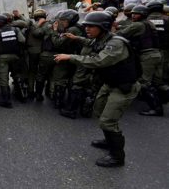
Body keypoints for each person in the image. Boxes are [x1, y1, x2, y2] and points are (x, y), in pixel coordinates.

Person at [54, 11, 140, 167]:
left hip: (123, 87)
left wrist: (70, 57)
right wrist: (76, 38)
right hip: (110, 83)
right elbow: (90, 43)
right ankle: (109, 140)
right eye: (86, 26)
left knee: (107, 121)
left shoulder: (116, 43)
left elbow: (99, 61)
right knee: (98, 111)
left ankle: (117, 156)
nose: (87, 29)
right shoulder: (101, 39)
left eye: (92, 27)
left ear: (104, 27)